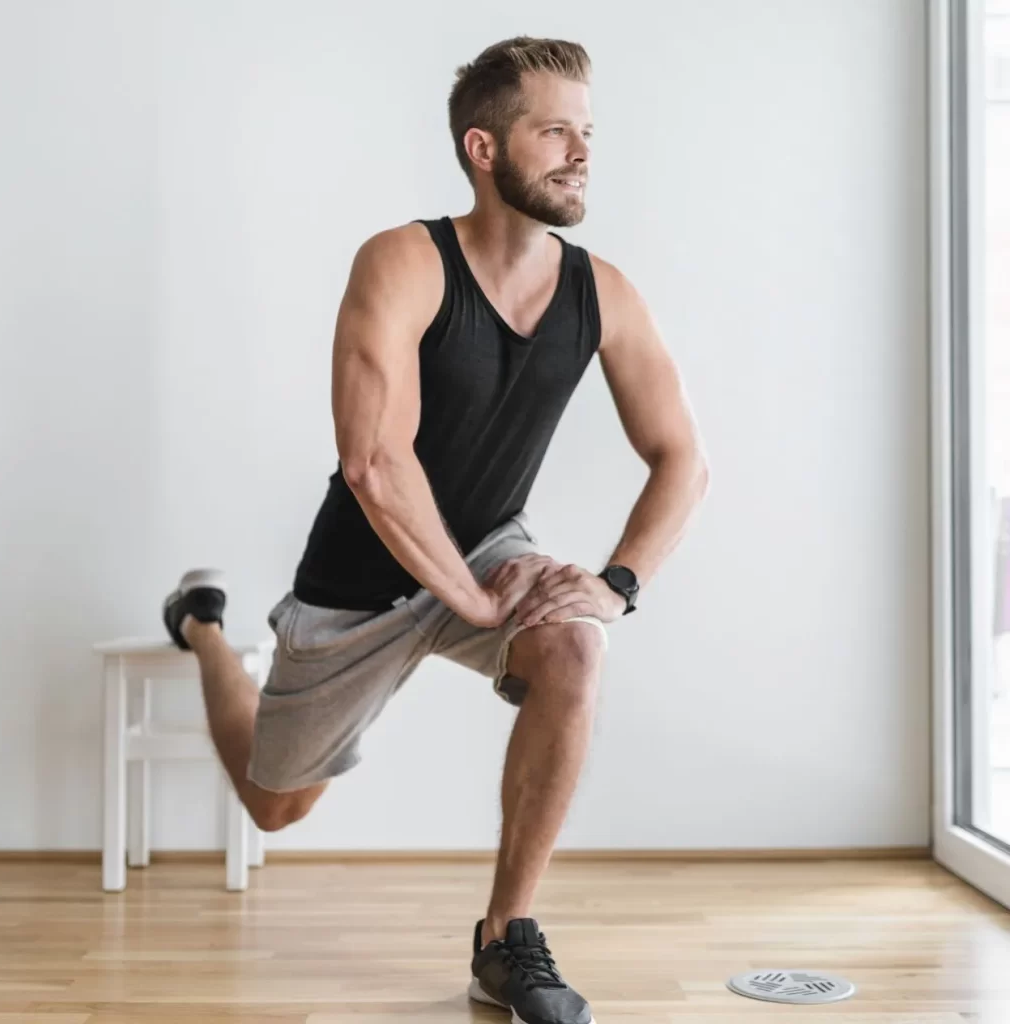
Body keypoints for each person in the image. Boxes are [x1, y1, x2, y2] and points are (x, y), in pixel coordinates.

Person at [161, 35, 709, 1024]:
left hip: (491, 541)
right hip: (360, 574)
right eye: (554, 131)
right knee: (275, 801)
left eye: (587, 133)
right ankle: (203, 626)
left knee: (576, 648)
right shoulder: (403, 261)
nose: (582, 153)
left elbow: (682, 457)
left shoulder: (603, 294)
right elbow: (375, 460)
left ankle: (505, 938)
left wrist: (615, 585)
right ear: (484, 148)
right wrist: (464, 597)